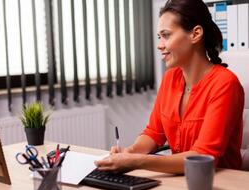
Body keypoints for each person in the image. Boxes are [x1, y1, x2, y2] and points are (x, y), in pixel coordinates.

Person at [95, 0, 244, 174]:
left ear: (195, 34)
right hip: (181, 180)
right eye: (160, 37)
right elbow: (153, 133)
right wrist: (130, 151)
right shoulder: (170, 78)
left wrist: (137, 161)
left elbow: (203, 156)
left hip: (218, 184)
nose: (160, 45)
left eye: (166, 35)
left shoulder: (225, 84)